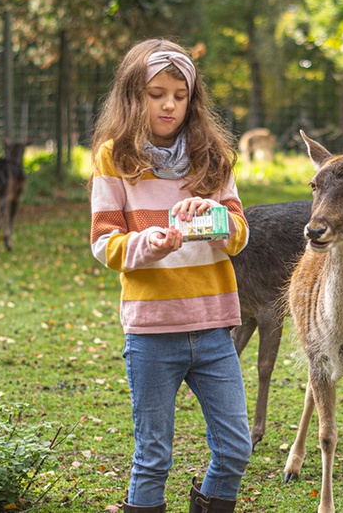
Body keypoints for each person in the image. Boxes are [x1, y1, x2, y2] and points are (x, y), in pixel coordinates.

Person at [89, 38, 251, 513]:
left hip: (214, 327)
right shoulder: (113, 157)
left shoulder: (214, 156)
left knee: (237, 447)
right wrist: (150, 244)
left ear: (192, 99)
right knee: (153, 457)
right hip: (152, 332)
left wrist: (214, 218)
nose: (169, 105)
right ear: (133, 96)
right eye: (157, 93)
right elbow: (104, 242)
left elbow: (238, 233)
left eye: (180, 96)